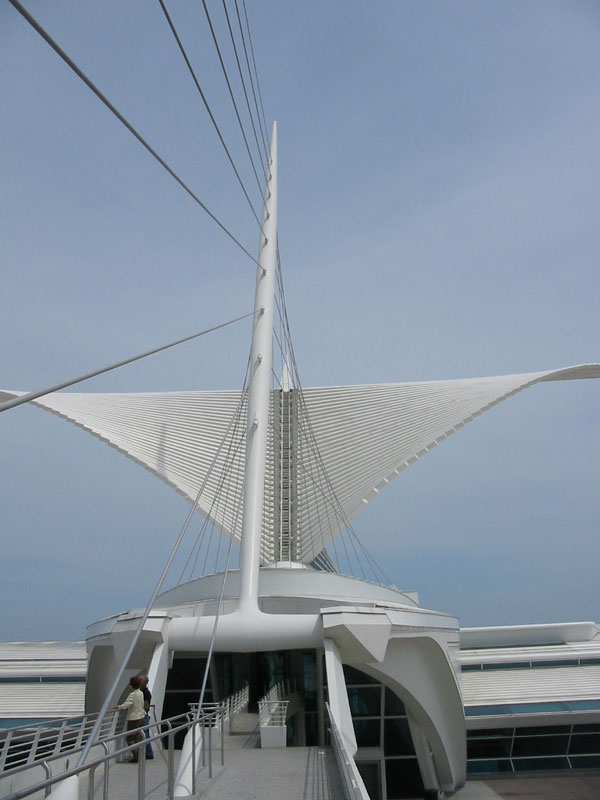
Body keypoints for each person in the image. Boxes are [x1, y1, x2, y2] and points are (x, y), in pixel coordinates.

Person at [113, 676, 145, 762]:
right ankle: (139, 754)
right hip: (141, 716)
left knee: (130, 738)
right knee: (138, 737)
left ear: (132, 685)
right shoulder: (141, 693)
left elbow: (127, 704)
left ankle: (136, 755)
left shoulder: (133, 694)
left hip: (134, 718)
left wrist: (119, 707)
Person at [140, 675, 154, 759]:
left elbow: (146, 706)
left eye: (140, 680)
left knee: (144, 733)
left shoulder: (145, 693)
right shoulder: (142, 691)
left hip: (144, 715)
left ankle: (149, 753)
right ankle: (147, 752)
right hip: (143, 715)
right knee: (144, 733)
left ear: (145, 682)